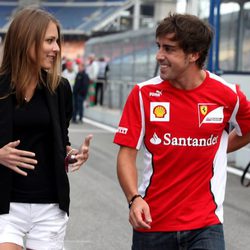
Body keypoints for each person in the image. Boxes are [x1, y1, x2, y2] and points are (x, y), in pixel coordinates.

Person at [113, 13, 250, 250]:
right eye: (158, 47)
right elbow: (126, 155)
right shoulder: (143, 94)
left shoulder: (227, 94)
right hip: (152, 224)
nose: (159, 56)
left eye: (169, 49)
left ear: (194, 54)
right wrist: (134, 199)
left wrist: (216, 149)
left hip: (206, 224)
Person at [0, 7, 92, 250]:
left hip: (49, 206)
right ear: (25, 41)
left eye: (57, 41)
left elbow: (61, 141)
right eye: (50, 41)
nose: (57, 49)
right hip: (5, 206)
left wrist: (71, 156)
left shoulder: (60, 89)